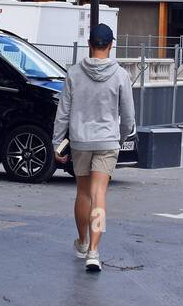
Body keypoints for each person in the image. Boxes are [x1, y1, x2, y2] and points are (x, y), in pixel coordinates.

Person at [53, 23, 135, 274]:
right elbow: (128, 115)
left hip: (80, 140)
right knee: (100, 194)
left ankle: (82, 242)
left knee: (83, 194)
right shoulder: (121, 75)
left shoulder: (74, 73)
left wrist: (58, 141)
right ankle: (94, 252)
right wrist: (122, 136)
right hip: (107, 141)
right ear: (111, 45)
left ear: (89, 44)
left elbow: (63, 111)